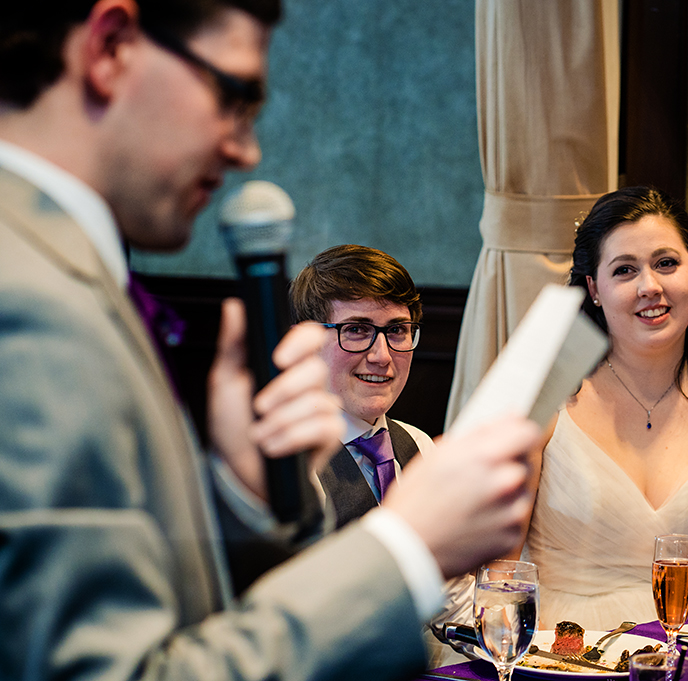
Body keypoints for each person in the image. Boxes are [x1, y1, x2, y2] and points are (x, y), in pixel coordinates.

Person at [0, 2, 539, 680]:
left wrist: (240, 497)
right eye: (234, 95)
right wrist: (406, 547)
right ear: (110, 48)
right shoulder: (28, 299)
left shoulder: (56, 265)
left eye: (397, 331)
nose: (244, 149)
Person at [520, 186, 688, 630]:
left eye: (666, 263)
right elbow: (498, 578)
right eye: (625, 270)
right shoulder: (543, 397)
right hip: (562, 653)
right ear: (594, 289)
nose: (650, 286)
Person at [290, 244, 433, 526]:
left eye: (396, 330)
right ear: (307, 342)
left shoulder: (421, 447)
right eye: (356, 329)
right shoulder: (293, 470)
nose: (382, 356)